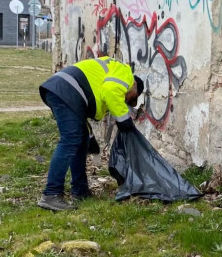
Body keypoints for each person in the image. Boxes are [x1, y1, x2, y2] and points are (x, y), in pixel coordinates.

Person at [37, 55, 144, 211]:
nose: (126, 101)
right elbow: (110, 91)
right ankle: (51, 194)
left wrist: (90, 136)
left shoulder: (111, 71)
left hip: (63, 90)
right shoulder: (125, 74)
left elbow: (86, 106)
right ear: (134, 85)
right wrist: (124, 121)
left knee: (80, 141)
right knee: (70, 140)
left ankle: (80, 191)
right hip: (66, 90)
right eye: (131, 98)